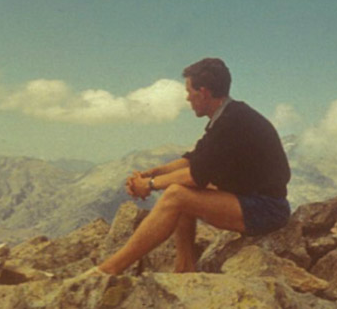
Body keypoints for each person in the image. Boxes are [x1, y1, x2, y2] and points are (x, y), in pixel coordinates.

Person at [96, 58, 291, 275]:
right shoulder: (229, 117)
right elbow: (194, 159)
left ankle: (107, 271)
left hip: (266, 209)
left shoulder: (231, 122)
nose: (187, 98)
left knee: (177, 195)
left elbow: (195, 176)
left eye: (189, 91)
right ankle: (184, 269)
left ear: (204, 92)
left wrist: (149, 185)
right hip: (254, 200)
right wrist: (152, 173)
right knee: (182, 192)